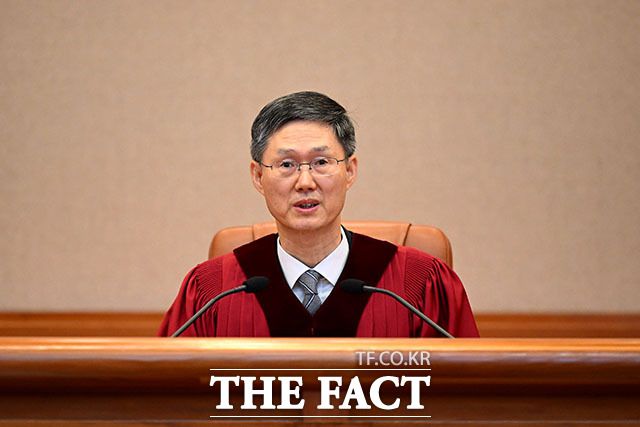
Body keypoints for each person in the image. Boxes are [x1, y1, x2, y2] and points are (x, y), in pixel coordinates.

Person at [158, 91, 479, 337]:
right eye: (286, 165)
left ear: (350, 171)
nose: (305, 182)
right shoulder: (212, 289)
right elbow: (170, 391)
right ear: (258, 176)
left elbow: (465, 393)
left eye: (321, 163)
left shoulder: (419, 283)